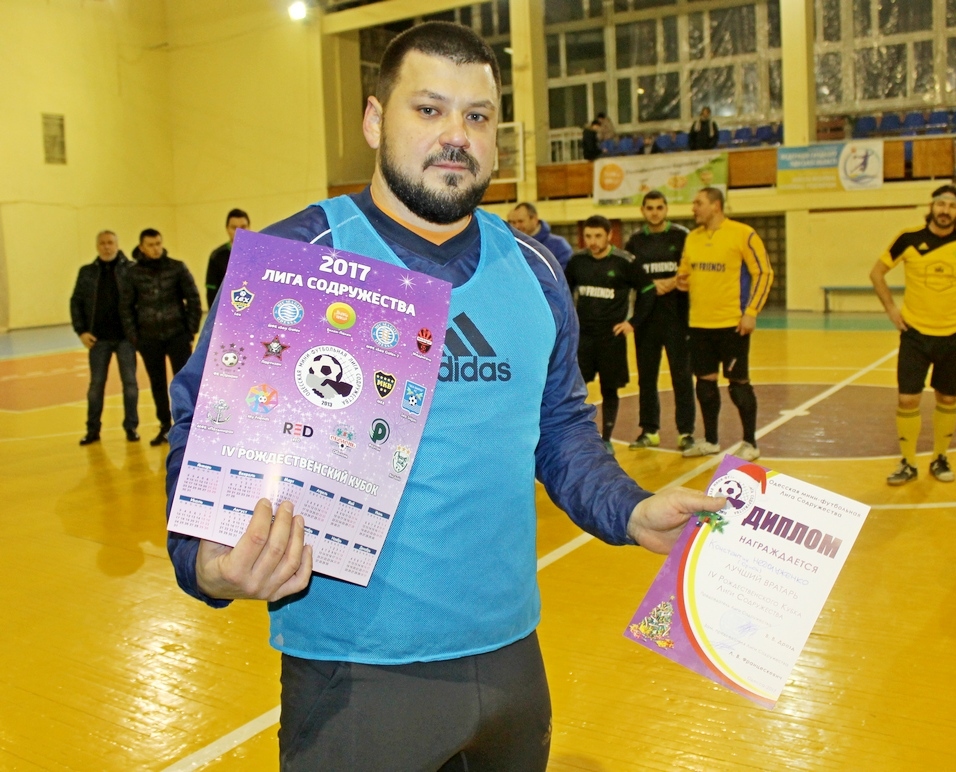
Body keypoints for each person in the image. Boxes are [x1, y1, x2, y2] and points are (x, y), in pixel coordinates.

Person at [165, 23, 724, 772]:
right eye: (428, 109)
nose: (456, 135)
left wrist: (628, 509)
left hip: (512, 660)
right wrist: (204, 564)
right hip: (356, 672)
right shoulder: (302, 258)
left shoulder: (536, 271)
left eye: (477, 116)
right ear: (374, 120)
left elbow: (560, 427)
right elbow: (201, 430)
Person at [870, 184, 956, 485]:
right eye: (941, 204)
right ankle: (908, 462)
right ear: (932, 206)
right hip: (914, 332)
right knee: (907, 399)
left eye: (952, 206)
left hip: (954, 333)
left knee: (948, 397)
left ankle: (940, 457)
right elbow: (877, 273)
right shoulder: (909, 239)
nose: (945, 211)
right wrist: (891, 309)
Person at [677, 187, 773, 461]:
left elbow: (764, 273)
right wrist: (682, 280)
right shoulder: (692, 238)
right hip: (699, 324)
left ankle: (750, 443)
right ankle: (711, 440)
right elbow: (685, 273)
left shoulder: (743, 234)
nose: (693, 208)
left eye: (698, 202)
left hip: (732, 324)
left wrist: (751, 311)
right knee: (705, 386)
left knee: (738, 386)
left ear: (716, 205)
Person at [565, 215, 655, 454]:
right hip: (583, 338)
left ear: (609, 236)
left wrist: (632, 323)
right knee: (575, 389)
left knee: (609, 389)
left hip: (611, 338)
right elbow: (563, 291)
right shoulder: (577, 262)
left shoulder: (624, 262)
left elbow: (648, 290)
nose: (592, 241)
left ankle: (606, 438)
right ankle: (576, 435)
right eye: (588, 236)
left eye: (598, 236)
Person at [624, 192, 695, 452]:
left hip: (678, 318)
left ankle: (686, 432)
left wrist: (673, 282)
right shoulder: (634, 242)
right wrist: (650, 284)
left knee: (682, 377)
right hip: (647, 320)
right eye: (650, 208)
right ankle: (649, 430)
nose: (655, 212)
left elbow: (692, 269)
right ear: (643, 211)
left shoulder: (682, 236)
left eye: (659, 207)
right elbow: (630, 276)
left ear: (666, 209)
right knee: (647, 378)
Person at [121, 228, 202, 447]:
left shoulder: (177, 267)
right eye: (150, 245)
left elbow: (193, 298)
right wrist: (135, 338)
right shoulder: (133, 273)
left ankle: (189, 426)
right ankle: (165, 426)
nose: (156, 248)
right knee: (157, 384)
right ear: (142, 247)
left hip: (178, 336)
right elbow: (126, 307)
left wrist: (190, 330)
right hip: (149, 339)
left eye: (158, 243)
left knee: (184, 382)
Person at [69, 230, 140, 445]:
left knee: (130, 384)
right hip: (98, 339)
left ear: (117, 245)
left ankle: (131, 427)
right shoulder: (87, 272)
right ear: (97, 246)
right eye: (102, 243)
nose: (106, 246)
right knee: (96, 386)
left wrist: (137, 332)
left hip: (125, 339)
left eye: (110, 242)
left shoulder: (130, 270)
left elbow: (140, 300)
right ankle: (93, 430)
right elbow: (76, 302)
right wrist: (81, 331)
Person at [204, 208, 251, 309]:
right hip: (226, 311)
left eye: (243, 227)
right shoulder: (217, 256)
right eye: (234, 227)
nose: (239, 231)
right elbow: (211, 290)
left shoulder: (260, 253)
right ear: (227, 229)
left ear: (249, 227)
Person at [508, 201, 573, 269]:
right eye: (513, 222)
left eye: (520, 221)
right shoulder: (511, 246)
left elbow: (564, 273)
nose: (517, 226)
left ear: (534, 219)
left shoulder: (558, 245)